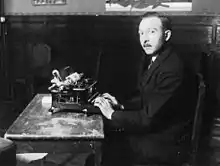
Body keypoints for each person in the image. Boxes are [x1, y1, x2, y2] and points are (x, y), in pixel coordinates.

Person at [92, 12, 198, 166]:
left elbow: (149, 119)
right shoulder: (157, 59)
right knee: (106, 140)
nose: (145, 39)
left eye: (152, 32)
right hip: (157, 131)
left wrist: (112, 114)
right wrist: (121, 106)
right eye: (141, 33)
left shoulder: (173, 68)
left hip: (164, 143)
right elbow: (147, 98)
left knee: (110, 142)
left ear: (166, 35)